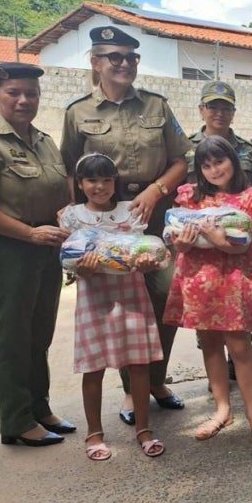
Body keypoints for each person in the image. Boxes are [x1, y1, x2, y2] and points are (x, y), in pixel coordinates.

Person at [61, 25, 193, 426]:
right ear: (95, 62)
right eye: (114, 57)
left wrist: (156, 190)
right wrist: (78, 231)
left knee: (167, 295)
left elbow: (181, 159)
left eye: (131, 57)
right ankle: (131, 390)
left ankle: (155, 381)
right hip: (106, 220)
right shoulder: (78, 112)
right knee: (121, 302)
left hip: (155, 212)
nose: (124, 64)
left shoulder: (157, 106)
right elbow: (69, 172)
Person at [0, 63, 74, 447]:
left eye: (31, 93)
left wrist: (64, 218)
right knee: (15, 335)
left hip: (46, 247)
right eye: (14, 93)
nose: (24, 100)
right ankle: (17, 421)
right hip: (10, 249)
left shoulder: (44, 141)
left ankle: (39, 408)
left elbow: (58, 191)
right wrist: (29, 233)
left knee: (40, 333)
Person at [163, 137, 252, 448]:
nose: (214, 170)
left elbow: (243, 243)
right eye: (207, 165)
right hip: (199, 283)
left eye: (220, 162)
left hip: (233, 284)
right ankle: (222, 410)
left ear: (233, 161)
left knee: (240, 348)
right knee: (209, 345)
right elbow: (175, 237)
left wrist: (217, 239)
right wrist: (181, 243)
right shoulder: (188, 196)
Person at [60, 153, 165, 460]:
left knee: (139, 364)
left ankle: (144, 429)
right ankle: (94, 434)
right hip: (94, 298)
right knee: (93, 367)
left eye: (106, 180)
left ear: (114, 182)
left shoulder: (130, 211)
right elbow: (68, 260)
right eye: (92, 180)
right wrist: (82, 269)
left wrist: (147, 263)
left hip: (132, 295)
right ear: (80, 184)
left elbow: (141, 251)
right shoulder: (72, 216)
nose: (100, 186)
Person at [186, 80, 252, 381]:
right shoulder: (185, 148)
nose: (219, 113)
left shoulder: (247, 149)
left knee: (239, 308)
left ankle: (240, 364)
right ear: (202, 109)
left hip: (239, 243)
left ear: (233, 112)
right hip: (201, 250)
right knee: (206, 316)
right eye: (213, 106)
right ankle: (216, 375)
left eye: (226, 107)